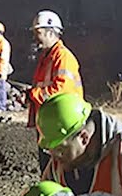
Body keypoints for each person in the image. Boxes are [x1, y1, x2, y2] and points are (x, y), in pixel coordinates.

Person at [28, 10, 82, 171]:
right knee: (48, 168)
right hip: (51, 123)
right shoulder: (47, 57)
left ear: (51, 33)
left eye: (38, 33)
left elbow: (60, 91)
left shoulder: (63, 57)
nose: (35, 38)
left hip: (63, 124)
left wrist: (33, 95)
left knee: (59, 170)